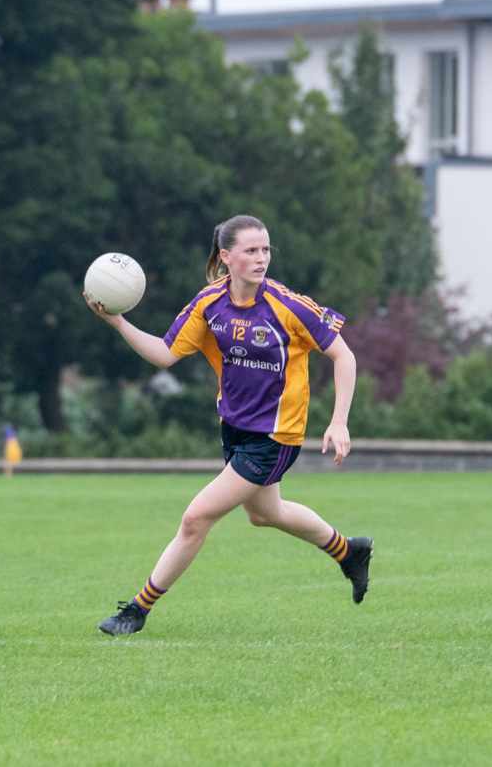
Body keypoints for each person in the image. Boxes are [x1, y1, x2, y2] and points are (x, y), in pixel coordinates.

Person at [86, 215, 372, 636]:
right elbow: (166, 354)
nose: (262, 258)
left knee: (196, 518)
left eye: (266, 250)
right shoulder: (209, 303)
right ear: (226, 256)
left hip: (275, 436)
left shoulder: (288, 305)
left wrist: (339, 421)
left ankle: (136, 611)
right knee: (265, 514)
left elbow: (343, 356)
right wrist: (118, 322)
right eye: (251, 251)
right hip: (235, 426)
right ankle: (349, 552)